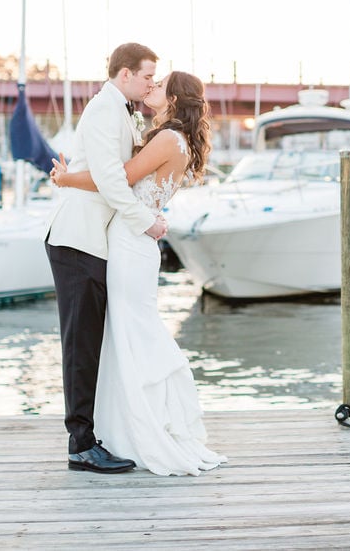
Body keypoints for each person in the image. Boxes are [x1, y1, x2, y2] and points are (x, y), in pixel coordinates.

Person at [51, 71, 227, 476]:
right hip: (133, 241)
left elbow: (119, 179)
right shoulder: (168, 138)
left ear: (176, 98)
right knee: (127, 334)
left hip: (131, 244)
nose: (151, 87)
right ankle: (125, 428)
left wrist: (66, 179)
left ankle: (147, 425)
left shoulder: (168, 140)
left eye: (160, 84)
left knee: (133, 333)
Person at [44, 42, 168, 474]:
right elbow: (111, 181)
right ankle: (80, 443)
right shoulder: (102, 110)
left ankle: (93, 435)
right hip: (77, 239)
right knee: (81, 344)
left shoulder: (123, 110)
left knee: (94, 341)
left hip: (97, 242)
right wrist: (144, 222)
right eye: (148, 74)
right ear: (125, 74)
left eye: (156, 77)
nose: (153, 82)